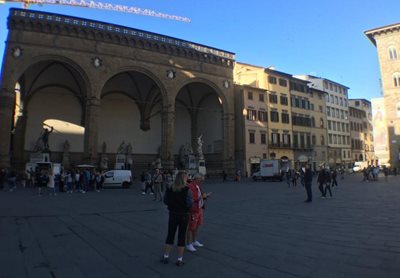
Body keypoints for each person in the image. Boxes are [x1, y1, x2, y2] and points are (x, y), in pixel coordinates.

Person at [161, 171, 193, 267]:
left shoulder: (170, 188)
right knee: (181, 236)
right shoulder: (187, 190)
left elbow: (165, 201)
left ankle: (166, 257)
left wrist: (173, 205)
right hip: (184, 215)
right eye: (186, 177)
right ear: (184, 178)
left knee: (170, 235)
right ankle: (179, 260)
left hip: (173, 214)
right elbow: (190, 204)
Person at [186, 173, 212, 252]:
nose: (202, 181)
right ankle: (189, 244)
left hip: (199, 208)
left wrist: (206, 196)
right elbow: (192, 199)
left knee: (197, 226)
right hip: (193, 210)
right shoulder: (190, 186)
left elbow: (200, 195)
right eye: (201, 179)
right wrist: (203, 196)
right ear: (197, 179)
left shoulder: (198, 186)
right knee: (190, 227)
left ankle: (194, 241)